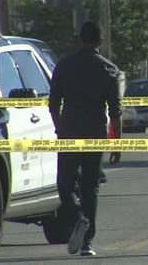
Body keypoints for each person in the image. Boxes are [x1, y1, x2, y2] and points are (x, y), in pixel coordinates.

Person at [49, 21, 122, 256]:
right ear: (101, 41)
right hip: (96, 134)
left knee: (65, 185)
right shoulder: (110, 69)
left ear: (80, 39)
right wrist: (117, 143)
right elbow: (115, 111)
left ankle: (78, 217)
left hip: (69, 132)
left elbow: (53, 104)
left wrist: (60, 128)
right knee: (91, 188)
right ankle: (87, 243)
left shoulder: (63, 66)